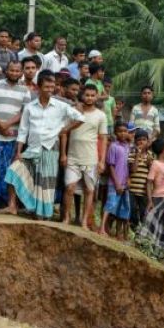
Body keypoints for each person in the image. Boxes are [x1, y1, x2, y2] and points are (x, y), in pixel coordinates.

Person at [0, 70, 84, 218]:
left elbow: (80, 118)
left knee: (45, 184)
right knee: (13, 171)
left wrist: (65, 129)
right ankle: (12, 206)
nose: (50, 90)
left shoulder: (60, 106)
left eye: (52, 87)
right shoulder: (30, 107)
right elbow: (23, 131)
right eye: (46, 87)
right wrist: (18, 152)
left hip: (51, 148)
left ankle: (41, 213)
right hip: (32, 148)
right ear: (39, 87)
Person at [0, 60, 30, 211]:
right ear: (6, 71)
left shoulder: (25, 91)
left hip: (12, 136)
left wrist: (7, 124)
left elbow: (24, 112)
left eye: (17, 71)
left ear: (21, 73)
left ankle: (4, 203)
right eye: (12, 70)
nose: (14, 73)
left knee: (6, 170)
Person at [61, 86, 107, 229]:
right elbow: (64, 133)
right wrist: (63, 154)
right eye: (87, 95)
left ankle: (84, 221)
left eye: (92, 95)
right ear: (82, 96)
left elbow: (104, 138)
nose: (89, 98)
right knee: (69, 187)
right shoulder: (73, 112)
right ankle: (66, 217)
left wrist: (101, 160)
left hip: (90, 158)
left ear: (96, 97)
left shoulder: (101, 115)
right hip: (73, 156)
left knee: (89, 190)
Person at [139, 138, 164, 263]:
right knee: (153, 224)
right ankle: (147, 247)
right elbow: (149, 182)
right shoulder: (156, 164)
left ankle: (161, 254)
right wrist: (150, 200)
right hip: (159, 198)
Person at [100, 121, 132, 239]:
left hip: (124, 183)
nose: (123, 133)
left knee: (121, 207)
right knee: (110, 204)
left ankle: (114, 231)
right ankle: (102, 228)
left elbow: (127, 166)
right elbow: (111, 166)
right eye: (120, 131)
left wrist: (127, 179)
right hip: (114, 183)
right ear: (115, 132)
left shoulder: (127, 147)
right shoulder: (113, 146)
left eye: (125, 131)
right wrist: (117, 183)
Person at [128, 129, 152, 230]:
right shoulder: (132, 154)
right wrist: (138, 155)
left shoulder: (150, 156)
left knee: (143, 213)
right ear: (135, 142)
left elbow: (152, 173)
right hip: (132, 190)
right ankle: (133, 229)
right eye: (139, 140)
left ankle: (141, 233)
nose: (141, 142)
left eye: (144, 140)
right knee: (132, 210)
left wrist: (150, 164)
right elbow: (133, 170)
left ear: (147, 141)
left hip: (143, 192)